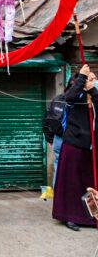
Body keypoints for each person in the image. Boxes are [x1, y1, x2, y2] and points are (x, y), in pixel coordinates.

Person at [53, 64, 98, 231]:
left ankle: (92, 216)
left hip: (91, 148)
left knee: (90, 185)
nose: (93, 81)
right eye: (90, 78)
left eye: (94, 78)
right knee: (71, 184)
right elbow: (68, 98)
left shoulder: (95, 96)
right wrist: (81, 79)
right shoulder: (76, 95)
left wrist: (92, 90)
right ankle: (70, 216)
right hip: (74, 145)